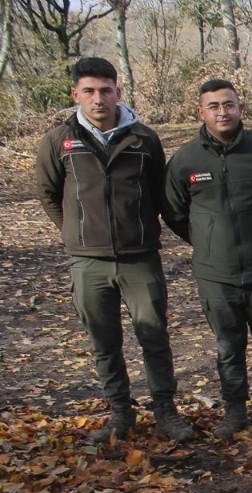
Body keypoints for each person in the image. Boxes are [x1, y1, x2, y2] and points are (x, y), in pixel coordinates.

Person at [35, 57, 193, 443]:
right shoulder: (59, 140)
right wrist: (76, 233)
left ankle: (165, 413)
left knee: (154, 336)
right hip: (88, 262)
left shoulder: (144, 139)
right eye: (88, 91)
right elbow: (48, 194)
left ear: (117, 92)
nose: (98, 99)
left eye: (105, 90)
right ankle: (120, 414)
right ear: (76, 94)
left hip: (139, 257)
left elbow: (159, 192)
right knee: (104, 342)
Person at [164, 79, 252, 438]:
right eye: (214, 106)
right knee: (228, 345)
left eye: (228, 104)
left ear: (240, 108)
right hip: (215, 274)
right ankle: (235, 411)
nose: (222, 112)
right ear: (201, 112)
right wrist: (207, 241)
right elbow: (174, 212)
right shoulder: (185, 160)